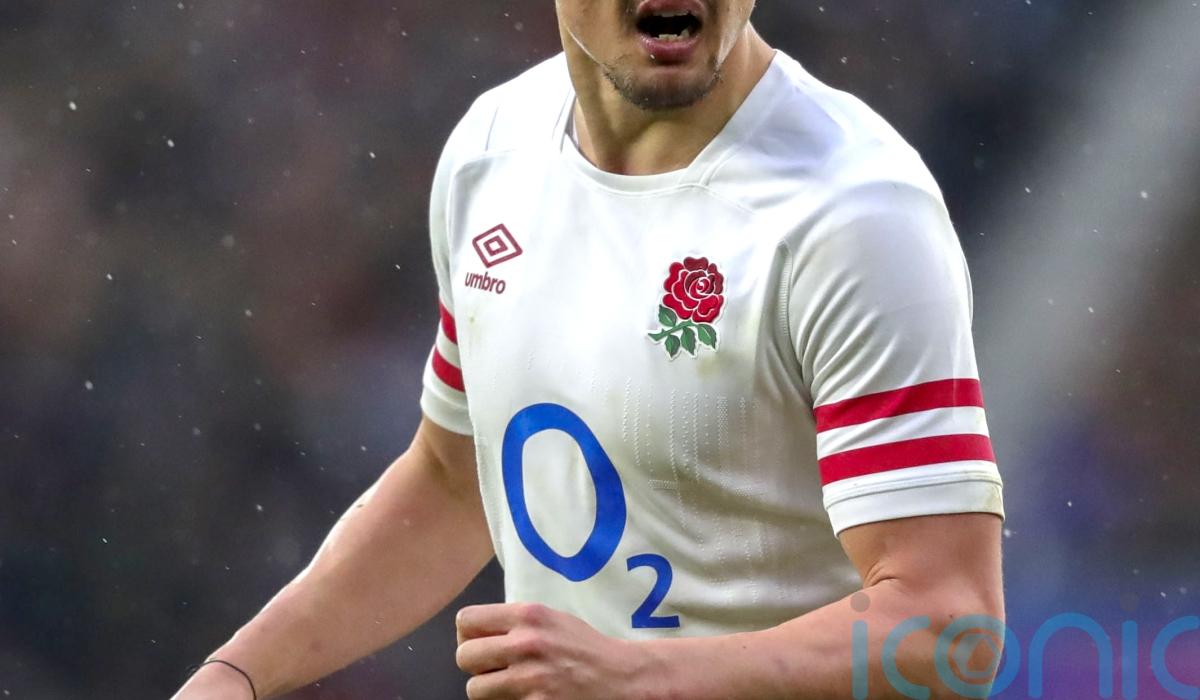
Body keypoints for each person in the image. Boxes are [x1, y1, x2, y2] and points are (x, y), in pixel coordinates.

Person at [173, 1, 1005, 697]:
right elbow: (456, 480)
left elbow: (951, 628)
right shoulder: (491, 152)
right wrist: (238, 674)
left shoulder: (855, 215)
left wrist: (641, 675)